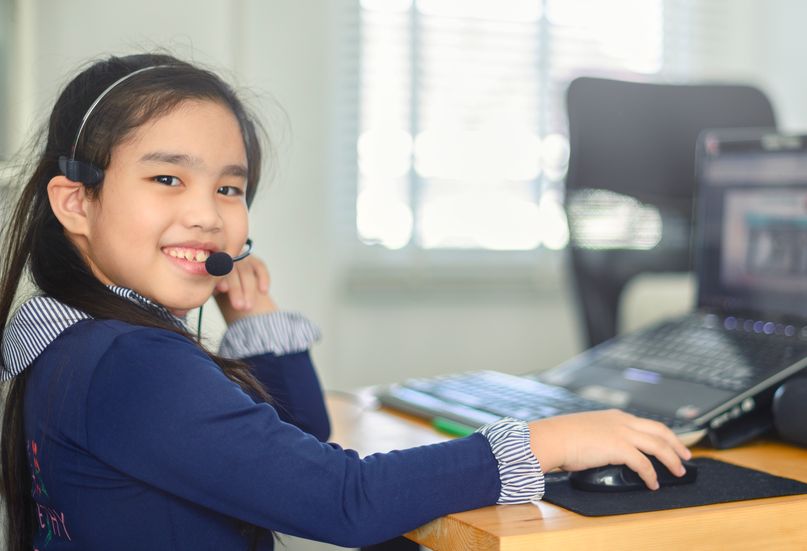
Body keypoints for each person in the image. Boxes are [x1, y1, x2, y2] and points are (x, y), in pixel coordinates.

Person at [0, 54, 691, 550]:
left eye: (230, 189)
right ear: (76, 203)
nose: (208, 215)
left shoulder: (78, 346)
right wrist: (547, 443)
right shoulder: (131, 362)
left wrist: (257, 321)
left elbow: (295, 440)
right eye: (167, 178)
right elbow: (341, 498)